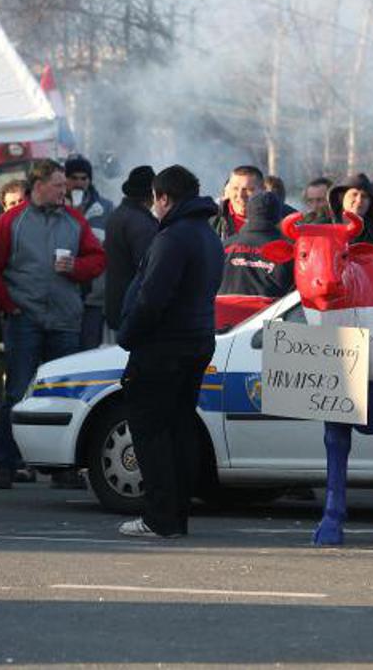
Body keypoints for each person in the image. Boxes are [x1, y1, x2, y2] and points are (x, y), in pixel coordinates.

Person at [116, 165, 223, 539]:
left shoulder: (173, 238)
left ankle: (160, 517)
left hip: (162, 346)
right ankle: (176, 516)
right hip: (196, 341)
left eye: (155, 201)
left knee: (151, 432)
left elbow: (151, 298)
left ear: (163, 198)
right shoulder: (208, 236)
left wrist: (127, 335)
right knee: (179, 429)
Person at [0, 159, 106, 489]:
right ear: (37, 186)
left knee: (63, 396)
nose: (64, 190)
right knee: (17, 392)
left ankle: (62, 468)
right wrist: (9, 306)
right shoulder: (11, 222)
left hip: (64, 320)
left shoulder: (74, 221)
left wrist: (76, 268)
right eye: (57, 185)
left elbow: (98, 259)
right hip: (24, 318)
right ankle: (4, 463)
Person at [217, 192, 295, 328]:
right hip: (264, 332)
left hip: (221, 328)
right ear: (278, 217)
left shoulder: (222, 247)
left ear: (248, 214)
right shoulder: (287, 250)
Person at [64, 155, 114, 351]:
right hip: (64, 294)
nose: (79, 183)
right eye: (74, 178)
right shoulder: (57, 206)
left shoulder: (105, 208)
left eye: (83, 178)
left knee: (88, 349)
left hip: (95, 295)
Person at [104, 166, 159, 335]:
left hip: (117, 303)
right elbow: (148, 268)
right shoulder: (141, 223)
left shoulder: (118, 215)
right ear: (151, 194)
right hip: (133, 308)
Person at [328, 174, 373, 246]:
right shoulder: (323, 229)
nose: (359, 200)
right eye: (354, 194)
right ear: (341, 198)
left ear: (370, 203)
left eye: (364, 196)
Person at [211, 165, 263, 241]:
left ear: (262, 190)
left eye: (248, 189)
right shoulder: (212, 221)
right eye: (235, 188)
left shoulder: (280, 219)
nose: (240, 195)